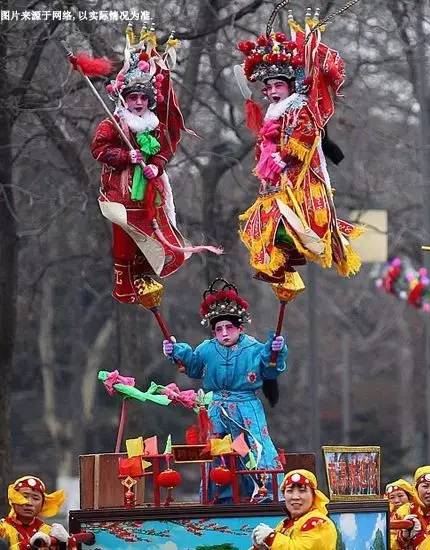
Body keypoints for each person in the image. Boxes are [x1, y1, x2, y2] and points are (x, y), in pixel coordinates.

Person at [237, 10, 362, 283]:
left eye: (278, 85)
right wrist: (267, 157)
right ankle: (279, 261)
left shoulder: (300, 107)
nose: (272, 91)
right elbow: (264, 143)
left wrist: (284, 156)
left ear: (290, 85)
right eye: (268, 87)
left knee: (290, 219)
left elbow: (304, 136)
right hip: (274, 183)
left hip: (299, 178)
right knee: (264, 221)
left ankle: (290, 254)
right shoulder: (272, 112)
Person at [91, 26, 211, 303]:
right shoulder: (113, 124)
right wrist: (125, 157)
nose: (138, 102)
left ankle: (145, 277)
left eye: (143, 98)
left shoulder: (155, 126)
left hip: (149, 191)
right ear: (125, 98)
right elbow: (99, 149)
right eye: (133, 97)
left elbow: (165, 151)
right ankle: (124, 283)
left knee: (151, 236)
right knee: (124, 241)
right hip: (120, 194)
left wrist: (155, 165)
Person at [162, 278, 287, 501]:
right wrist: (175, 350)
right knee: (219, 451)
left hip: (246, 407)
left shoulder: (254, 348)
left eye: (229, 327)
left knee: (254, 446)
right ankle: (221, 496)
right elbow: (192, 365)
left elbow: (270, 369)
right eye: (219, 329)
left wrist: (275, 351)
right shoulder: (206, 349)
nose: (224, 333)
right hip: (217, 409)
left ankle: (265, 494)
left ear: (240, 327)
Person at [251, 469, 337, 549]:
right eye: (290, 491)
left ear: (314, 495)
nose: (295, 497)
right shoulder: (284, 524)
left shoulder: (319, 523)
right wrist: (260, 547)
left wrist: (271, 538)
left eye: (302, 490)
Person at [0, 475, 75, 549]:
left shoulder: (49, 531)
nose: (29, 503)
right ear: (13, 500)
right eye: (24, 497)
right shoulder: (2, 528)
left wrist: (68, 543)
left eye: (36, 498)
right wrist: (29, 544)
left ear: (43, 504)